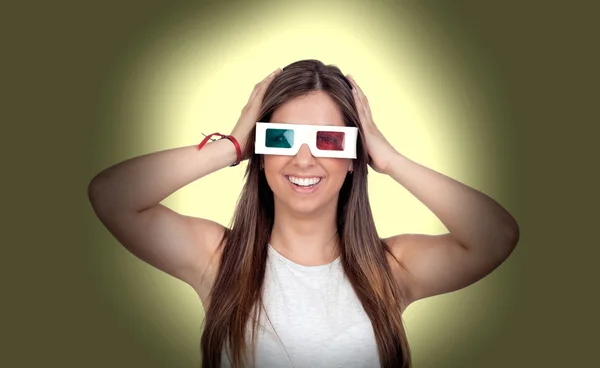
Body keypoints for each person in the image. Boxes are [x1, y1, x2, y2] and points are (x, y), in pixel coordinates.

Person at [88, 59, 520, 368]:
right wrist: (233, 145)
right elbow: (111, 195)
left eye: (330, 140)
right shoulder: (217, 260)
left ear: (354, 154)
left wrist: (388, 158)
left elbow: (496, 235)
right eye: (281, 137)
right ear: (262, 153)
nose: (304, 158)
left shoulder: (392, 269)